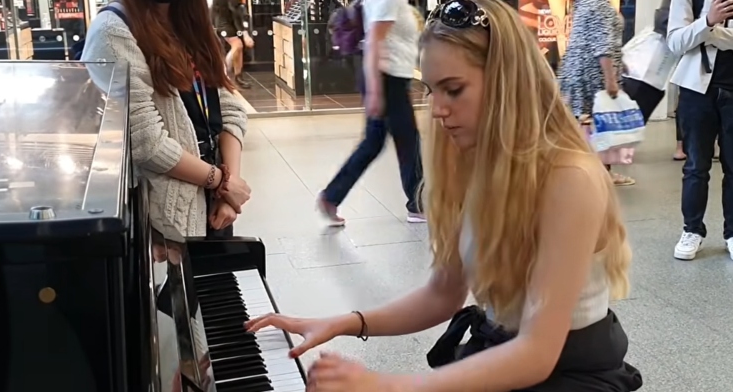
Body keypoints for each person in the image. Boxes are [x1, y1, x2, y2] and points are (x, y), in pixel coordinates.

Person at [246, 1, 643, 390]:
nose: (437, 110)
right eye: (432, 91)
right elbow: (443, 293)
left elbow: (537, 353)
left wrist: (387, 386)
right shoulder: (471, 162)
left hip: (568, 371)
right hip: (505, 352)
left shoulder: (569, 178)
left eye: (454, 90)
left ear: (509, 82)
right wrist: (343, 322)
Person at [81, 0, 251, 240]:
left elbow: (229, 106)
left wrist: (227, 189)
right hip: (165, 216)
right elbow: (146, 141)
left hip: (213, 200)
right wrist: (221, 182)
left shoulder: (187, 21)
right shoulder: (113, 30)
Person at [317, 0, 425, 226]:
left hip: (389, 78)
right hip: (388, 79)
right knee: (408, 141)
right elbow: (375, 40)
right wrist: (375, 90)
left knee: (376, 142)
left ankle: (331, 196)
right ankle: (417, 205)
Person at [668, 0, 733, 260]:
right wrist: (707, 21)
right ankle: (692, 229)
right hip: (696, 90)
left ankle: (732, 233)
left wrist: (709, 34)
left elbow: (690, 38)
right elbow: (675, 43)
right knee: (695, 166)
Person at [559, 0, 635, 186]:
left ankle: (586, 169)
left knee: (585, 122)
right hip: (592, 74)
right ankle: (601, 172)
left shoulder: (584, 4)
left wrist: (620, 63)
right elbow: (602, 47)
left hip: (577, 70)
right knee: (601, 123)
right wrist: (610, 80)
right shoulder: (599, 6)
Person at [212, 0, 254, 89]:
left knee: (239, 47)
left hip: (226, 21)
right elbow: (235, 11)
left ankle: (238, 77)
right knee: (237, 45)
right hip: (224, 23)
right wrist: (245, 34)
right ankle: (224, 74)